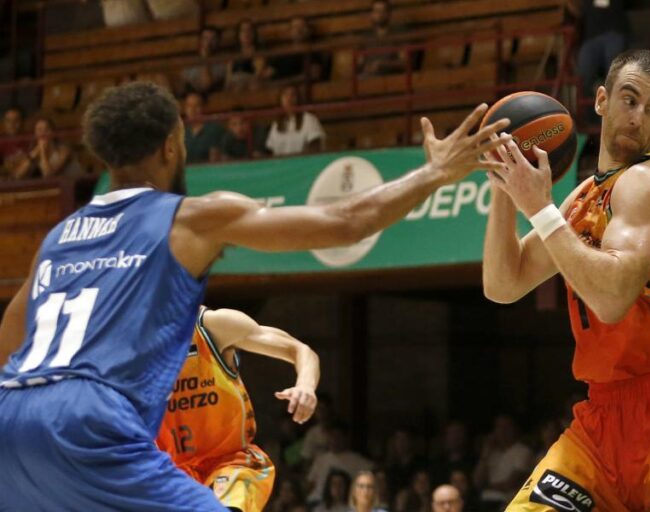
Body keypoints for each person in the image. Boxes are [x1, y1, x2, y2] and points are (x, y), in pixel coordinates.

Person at [0, 81, 510, 509]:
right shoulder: (192, 216)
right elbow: (346, 221)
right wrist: (437, 173)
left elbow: (8, 343)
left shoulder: (60, 238)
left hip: (12, 417)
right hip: (90, 418)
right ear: (171, 146)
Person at [482, 49, 650, 510]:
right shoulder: (583, 198)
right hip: (599, 422)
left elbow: (612, 299)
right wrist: (505, 184)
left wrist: (539, 209)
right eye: (629, 99)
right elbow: (504, 286)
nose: (638, 117)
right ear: (601, 101)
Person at [155, 307, 319, 511]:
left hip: (230, 463)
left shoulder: (213, 327)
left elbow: (299, 349)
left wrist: (305, 386)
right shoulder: (127, 348)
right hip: (173, 473)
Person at [472, 414, 532, 510]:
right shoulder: (491, 453)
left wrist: (485, 486)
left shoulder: (523, 451)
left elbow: (510, 484)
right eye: (499, 427)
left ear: (515, 429)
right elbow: (477, 482)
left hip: (505, 502)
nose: (502, 431)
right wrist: (485, 455)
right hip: (483, 501)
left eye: (506, 427)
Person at [308, 423, 375, 506]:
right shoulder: (320, 459)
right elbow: (311, 483)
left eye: (337, 436)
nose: (334, 440)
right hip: (317, 501)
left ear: (346, 438)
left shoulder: (359, 461)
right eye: (331, 436)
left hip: (346, 504)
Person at [12, 117, 81, 179]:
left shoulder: (64, 150)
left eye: (46, 129)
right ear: (35, 134)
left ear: (53, 133)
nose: (43, 133)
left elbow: (48, 175)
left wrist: (42, 151)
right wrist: (34, 153)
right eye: (39, 130)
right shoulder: (35, 152)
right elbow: (17, 176)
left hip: (76, 185)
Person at [266, 85, 326, 156]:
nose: (289, 98)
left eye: (293, 95)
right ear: (280, 100)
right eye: (285, 95)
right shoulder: (276, 124)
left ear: (299, 99)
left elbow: (316, 149)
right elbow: (271, 152)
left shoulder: (309, 120)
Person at [359, 0, 407, 79]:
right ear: (371, 14)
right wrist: (365, 67)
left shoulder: (399, 34)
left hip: (391, 78)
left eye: (382, 11)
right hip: (367, 77)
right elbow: (360, 62)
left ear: (389, 14)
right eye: (376, 11)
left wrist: (383, 64)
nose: (379, 14)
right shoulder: (366, 37)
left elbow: (405, 62)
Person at [179, 27, 228, 96]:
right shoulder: (191, 61)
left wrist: (205, 57)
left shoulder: (222, 62)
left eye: (212, 39)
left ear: (218, 42)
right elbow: (183, 84)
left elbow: (206, 85)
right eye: (205, 38)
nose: (208, 43)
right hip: (190, 96)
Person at [227, 18, 270, 92]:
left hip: (250, 84)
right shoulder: (233, 53)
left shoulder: (259, 52)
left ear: (254, 34)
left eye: (249, 30)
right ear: (238, 34)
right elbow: (228, 76)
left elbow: (258, 75)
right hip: (235, 84)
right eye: (243, 30)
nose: (246, 33)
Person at [182, 92, 225, 164]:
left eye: (197, 106)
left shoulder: (214, 129)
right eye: (189, 106)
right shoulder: (182, 131)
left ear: (204, 107)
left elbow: (215, 161)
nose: (192, 110)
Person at [1, 106, 29, 178]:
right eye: (8, 120)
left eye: (16, 120)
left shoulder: (30, 139)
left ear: (22, 122)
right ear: (4, 123)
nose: (12, 124)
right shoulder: (1, 140)